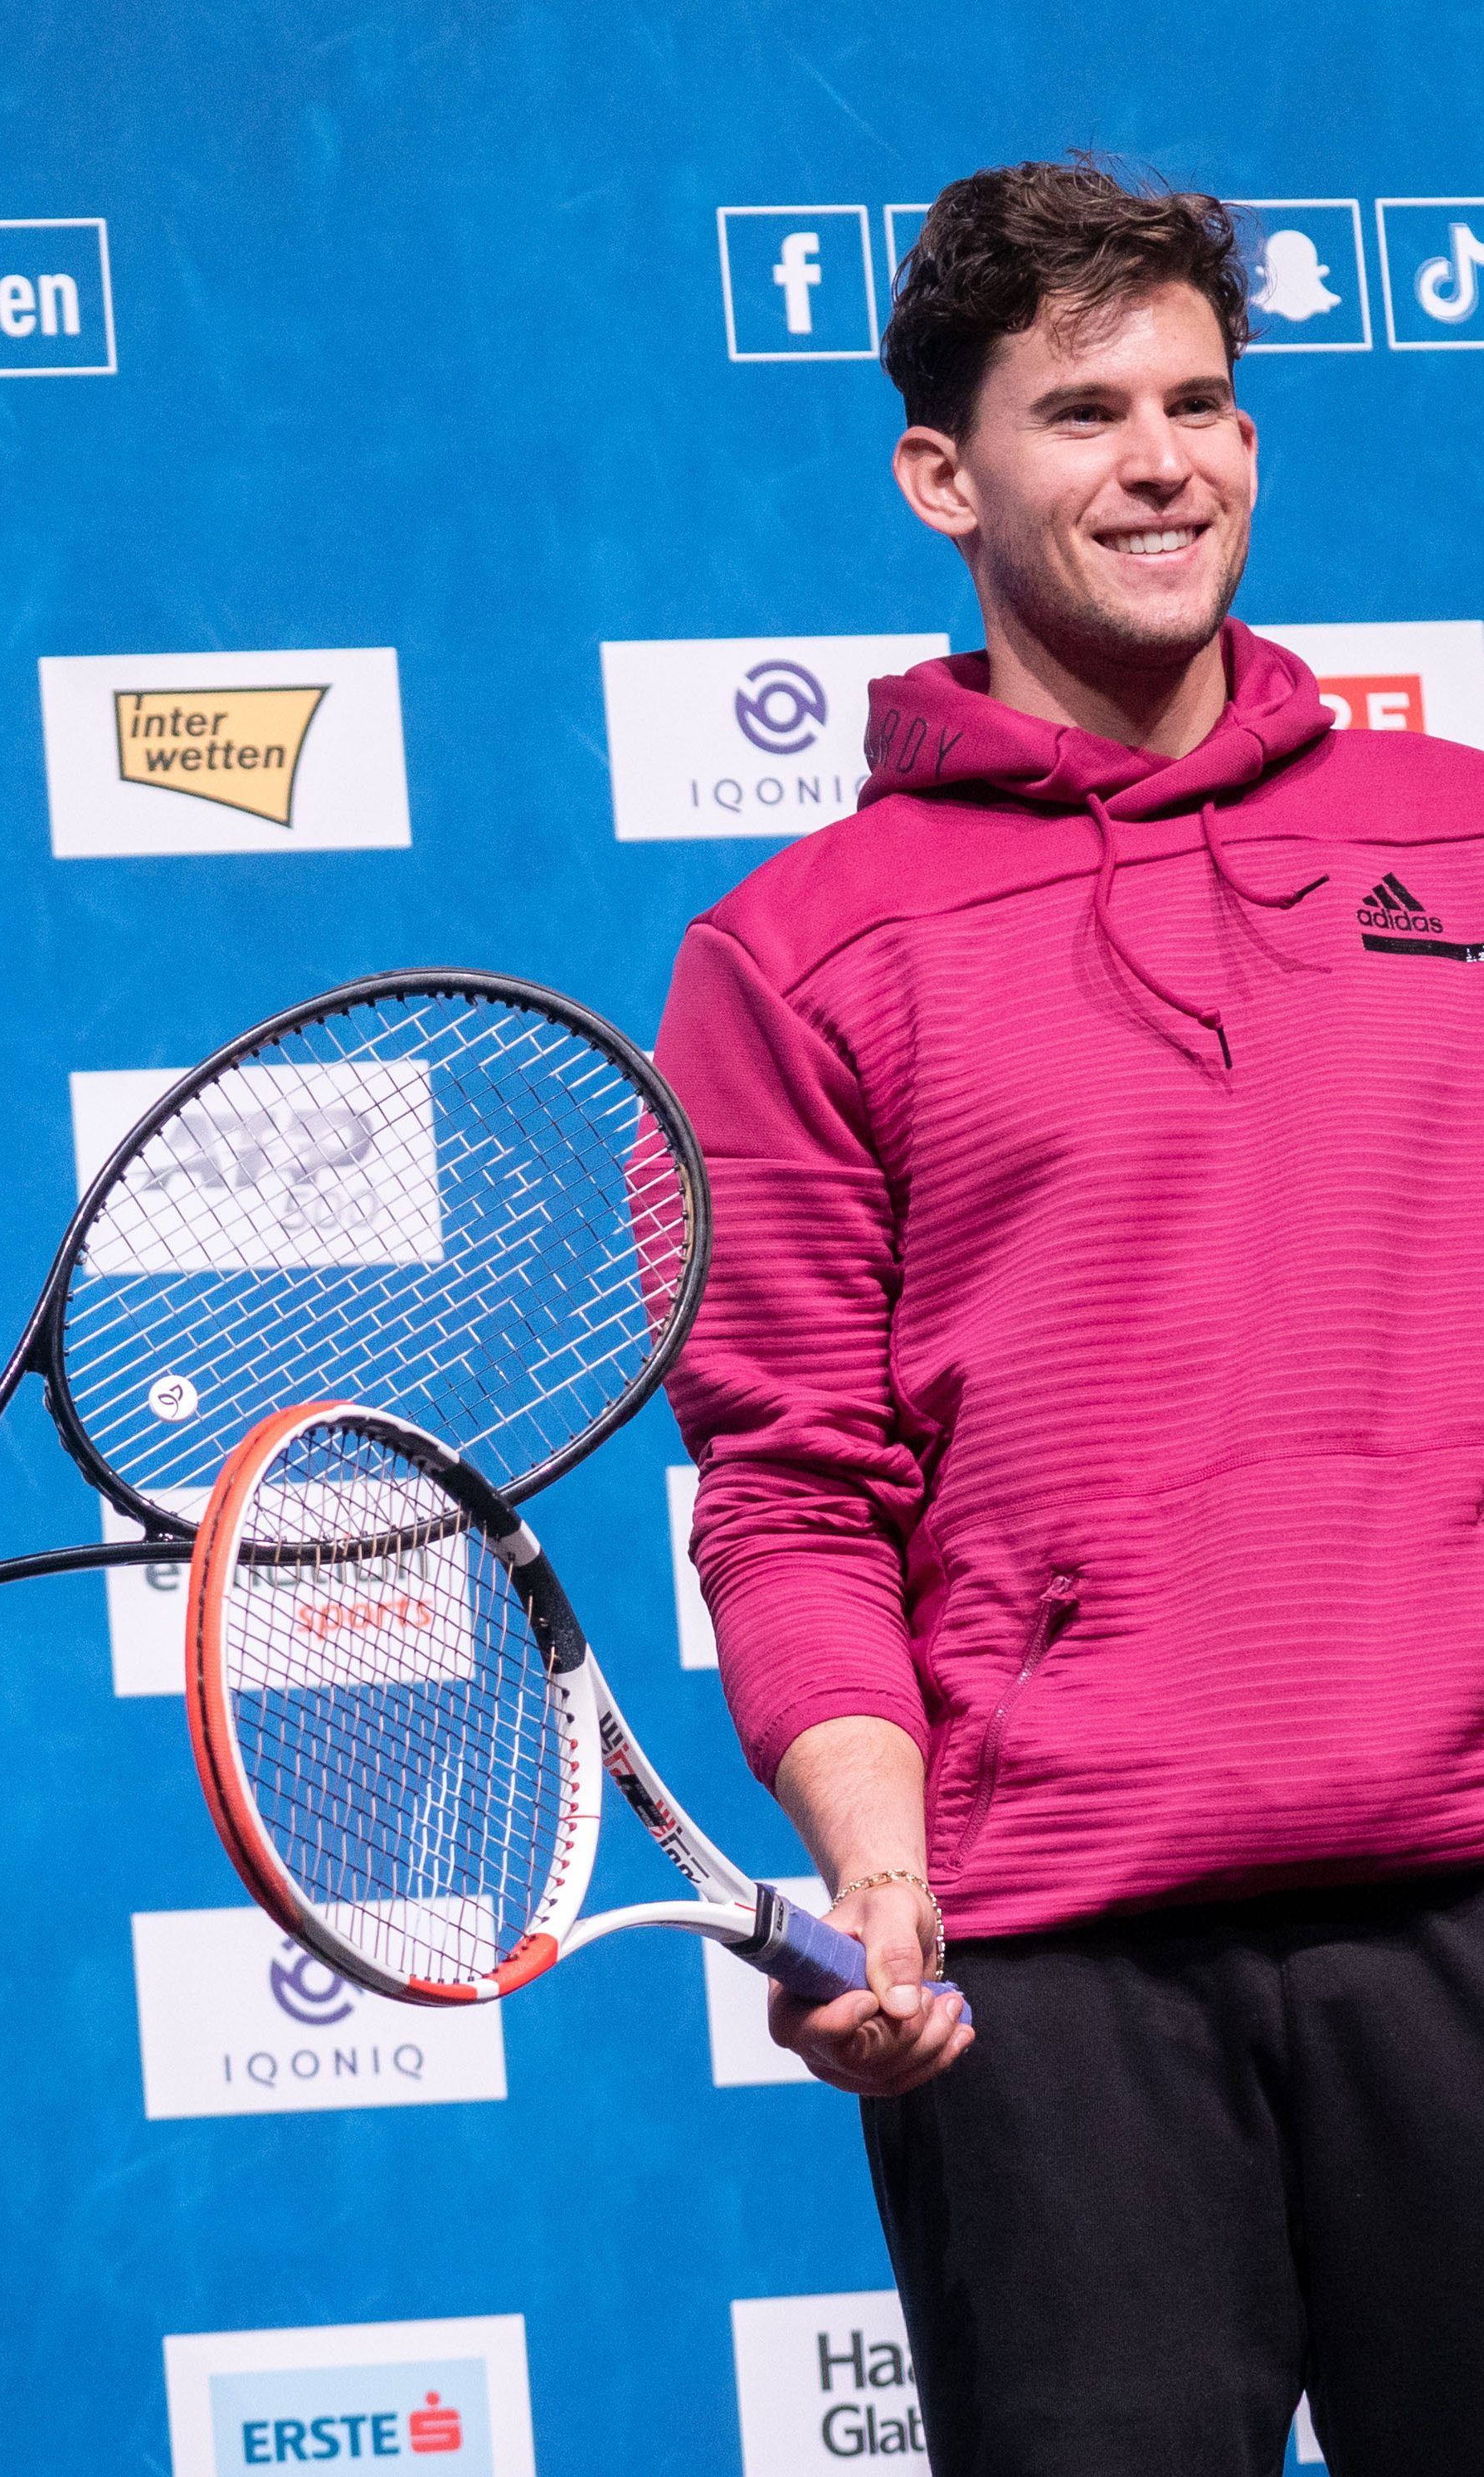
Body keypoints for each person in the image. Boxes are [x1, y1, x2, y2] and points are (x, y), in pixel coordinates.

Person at [659, 158, 1484, 2475]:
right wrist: (878, 1872)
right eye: (1084, 412)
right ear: (944, 477)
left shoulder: (1460, 837)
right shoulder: (790, 957)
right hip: (1049, 1959)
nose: (1159, 464)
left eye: (1198, 404)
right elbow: (792, 1493)